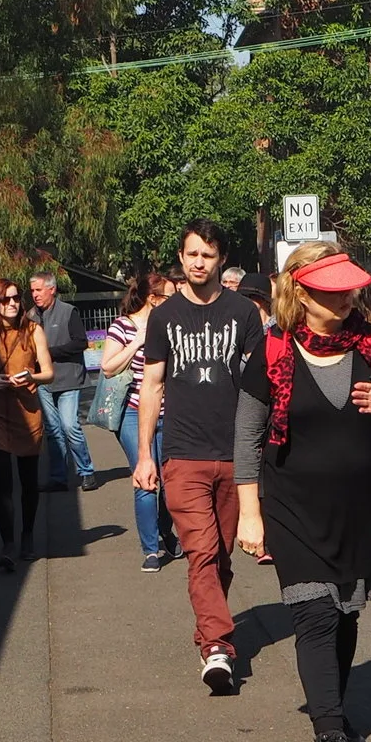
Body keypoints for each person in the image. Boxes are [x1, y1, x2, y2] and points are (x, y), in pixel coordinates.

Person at [232, 243, 371, 742]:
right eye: (330, 290)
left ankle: (332, 706)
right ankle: (330, 734)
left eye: (348, 288)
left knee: (345, 615)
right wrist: (249, 514)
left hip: (359, 509)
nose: (344, 297)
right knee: (314, 614)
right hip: (291, 508)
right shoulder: (273, 350)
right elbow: (247, 438)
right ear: (300, 292)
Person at [136, 220, 267, 694]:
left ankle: (209, 631)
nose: (198, 262)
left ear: (221, 260)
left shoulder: (244, 313)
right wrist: (145, 455)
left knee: (221, 556)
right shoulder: (165, 316)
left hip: (235, 455)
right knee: (202, 550)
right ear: (181, 256)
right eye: (191, 254)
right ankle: (217, 647)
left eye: (207, 255)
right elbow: (152, 385)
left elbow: (261, 384)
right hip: (182, 453)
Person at [0, 279, 53, 572]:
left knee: (28, 480)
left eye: (16, 298)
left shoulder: (33, 330)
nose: (13, 304)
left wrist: (31, 377)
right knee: (2, 479)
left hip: (27, 410)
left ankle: (27, 535)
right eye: (6, 299)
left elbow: (49, 373)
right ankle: (8, 544)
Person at [99, 264, 172, 571]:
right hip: (132, 412)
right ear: (153, 299)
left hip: (170, 413)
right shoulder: (123, 326)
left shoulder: (171, 326)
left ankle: (165, 530)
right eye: (169, 296)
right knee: (146, 479)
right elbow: (108, 367)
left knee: (171, 480)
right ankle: (151, 549)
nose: (175, 301)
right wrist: (138, 341)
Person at [29, 270, 96, 491]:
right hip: (43, 381)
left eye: (39, 290)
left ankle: (86, 471)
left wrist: (49, 353)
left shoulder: (68, 312)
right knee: (52, 430)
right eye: (32, 291)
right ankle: (58, 477)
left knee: (70, 426)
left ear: (52, 289)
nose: (35, 295)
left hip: (68, 378)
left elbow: (81, 342)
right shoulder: (30, 316)